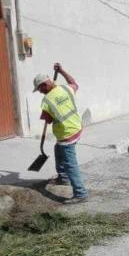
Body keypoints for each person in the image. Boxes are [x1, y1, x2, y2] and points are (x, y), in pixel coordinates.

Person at [33, 63, 88, 204]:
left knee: (70, 164)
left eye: (39, 89)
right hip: (77, 127)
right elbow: (73, 82)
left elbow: (48, 119)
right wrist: (62, 71)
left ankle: (80, 193)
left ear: (44, 85)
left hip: (66, 134)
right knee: (58, 150)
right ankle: (62, 178)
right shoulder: (66, 88)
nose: (39, 92)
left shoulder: (47, 101)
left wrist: (46, 114)